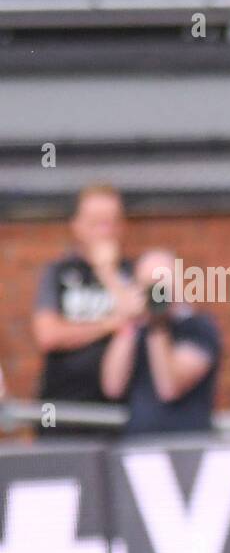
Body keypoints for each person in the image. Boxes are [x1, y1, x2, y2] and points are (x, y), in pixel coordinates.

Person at [32, 184, 137, 437]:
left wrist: (107, 272)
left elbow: (135, 316)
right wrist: (107, 325)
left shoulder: (131, 273)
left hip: (117, 415)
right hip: (62, 410)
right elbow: (48, 336)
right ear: (77, 226)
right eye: (96, 223)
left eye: (111, 223)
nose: (105, 231)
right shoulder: (59, 273)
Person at [99, 248, 221, 436]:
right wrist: (128, 321)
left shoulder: (198, 327)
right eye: (147, 285)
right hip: (139, 444)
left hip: (187, 444)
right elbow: (112, 386)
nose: (155, 293)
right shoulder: (136, 330)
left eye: (160, 284)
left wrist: (157, 323)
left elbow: (169, 388)